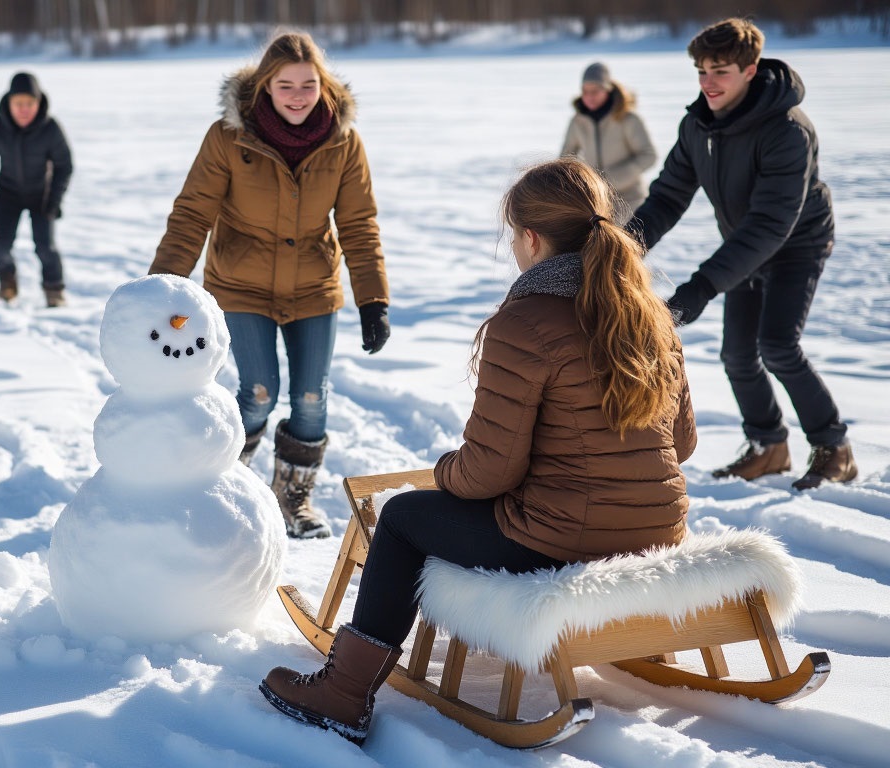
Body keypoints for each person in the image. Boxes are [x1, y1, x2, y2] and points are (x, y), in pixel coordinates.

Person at [260, 158, 695, 743]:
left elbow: (489, 472)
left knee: (402, 518)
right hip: (659, 532)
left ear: (531, 238)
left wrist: (443, 474)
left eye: (514, 236)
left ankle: (343, 693)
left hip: (562, 540)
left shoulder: (526, 321)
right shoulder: (651, 315)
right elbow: (682, 443)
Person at [150, 31, 390, 539]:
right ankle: (222, 485)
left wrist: (373, 299)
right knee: (258, 393)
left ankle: (292, 496)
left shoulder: (344, 142)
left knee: (309, 399)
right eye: (286, 85)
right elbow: (193, 212)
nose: (299, 95)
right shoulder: (228, 137)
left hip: (313, 286)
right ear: (265, 87)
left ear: (323, 85)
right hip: (241, 283)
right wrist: (164, 285)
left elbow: (359, 224)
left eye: (308, 84)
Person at [628, 17, 856, 490]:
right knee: (736, 353)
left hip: (796, 244)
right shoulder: (698, 126)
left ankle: (835, 447)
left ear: (750, 70)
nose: (708, 83)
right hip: (744, 244)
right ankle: (768, 446)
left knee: (776, 345)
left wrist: (702, 286)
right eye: (701, 71)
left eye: (721, 71)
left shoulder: (788, 131)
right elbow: (668, 197)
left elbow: (772, 224)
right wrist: (619, 248)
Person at [0, 71, 74, 307]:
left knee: (46, 247)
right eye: (19, 103)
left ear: (38, 103)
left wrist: (55, 200)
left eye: (30, 103)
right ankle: (7, 284)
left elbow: (64, 166)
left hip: (41, 196)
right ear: (9, 102)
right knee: (1, 247)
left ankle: (54, 291)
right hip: (7, 194)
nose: (24, 109)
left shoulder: (50, 129)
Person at [560, 61, 658, 219]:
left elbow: (648, 156)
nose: (589, 96)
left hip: (631, 203)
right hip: (596, 203)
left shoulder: (628, 119)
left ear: (607, 90)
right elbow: (566, 158)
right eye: (585, 91)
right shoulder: (578, 121)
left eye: (595, 91)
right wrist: (579, 183)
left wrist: (612, 179)